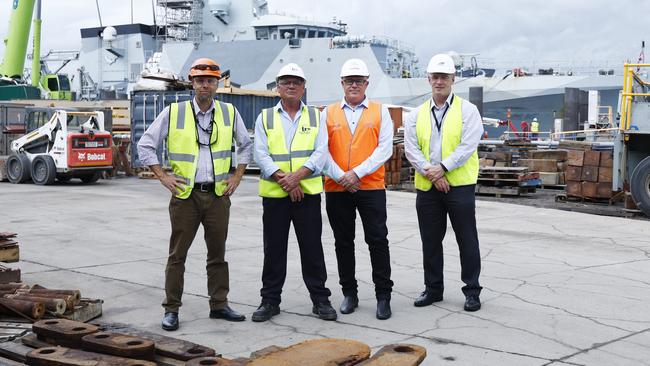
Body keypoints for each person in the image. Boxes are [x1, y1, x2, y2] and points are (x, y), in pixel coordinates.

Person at [137, 57, 253, 331]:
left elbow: (246, 146)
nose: (205, 85)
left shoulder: (229, 113)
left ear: (217, 85)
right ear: (192, 83)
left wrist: (237, 176)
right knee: (177, 255)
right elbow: (145, 145)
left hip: (217, 196)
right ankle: (172, 309)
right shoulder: (173, 112)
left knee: (218, 254)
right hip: (185, 196)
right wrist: (163, 177)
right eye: (200, 80)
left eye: (210, 81)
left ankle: (219, 304)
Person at [251, 63, 337, 322]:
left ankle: (320, 299)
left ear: (303, 88)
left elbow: (321, 152)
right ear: (277, 87)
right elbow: (261, 153)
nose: (291, 85)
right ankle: (270, 300)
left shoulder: (315, 117)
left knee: (312, 249)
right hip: (276, 196)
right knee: (273, 250)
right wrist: (285, 180)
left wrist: (297, 178)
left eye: (296, 82)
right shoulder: (265, 117)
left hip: (307, 195)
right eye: (286, 81)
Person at [404, 53, 484, 312]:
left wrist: (443, 169)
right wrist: (431, 173)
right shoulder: (416, 115)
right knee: (430, 240)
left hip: (459, 186)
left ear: (453, 79)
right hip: (428, 187)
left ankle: (472, 291)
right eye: (435, 77)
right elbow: (411, 149)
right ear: (428, 79)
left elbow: (468, 145)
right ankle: (433, 289)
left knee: (467, 239)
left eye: (444, 77)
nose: (439, 82)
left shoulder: (468, 111)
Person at [322, 59, 394, 320]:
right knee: (343, 242)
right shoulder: (327, 113)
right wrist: (341, 176)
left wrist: (356, 174)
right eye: (349, 80)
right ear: (342, 84)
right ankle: (349, 293)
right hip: (336, 187)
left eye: (358, 81)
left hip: (371, 187)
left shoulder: (379, 111)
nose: (354, 84)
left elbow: (384, 149)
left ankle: (383, 296)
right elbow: (322, 151)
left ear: (366, 84)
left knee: (377, 240)